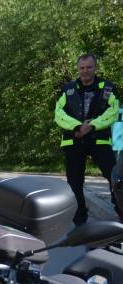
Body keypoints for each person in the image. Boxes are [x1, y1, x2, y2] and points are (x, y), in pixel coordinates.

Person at [55, 53, 121, 225]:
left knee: (115, 177)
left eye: (89, 67)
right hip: (74, 140)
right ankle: (79, 220)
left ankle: (120, 211)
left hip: (99, 140)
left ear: (95, 67)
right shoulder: (67, 89)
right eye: (82, 68)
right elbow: (58, 114)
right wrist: (77, 127)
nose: (85, 71)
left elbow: (113, 111)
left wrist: (91, 125)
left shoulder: (108, 88)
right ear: (78, 69)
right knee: (74, 182)